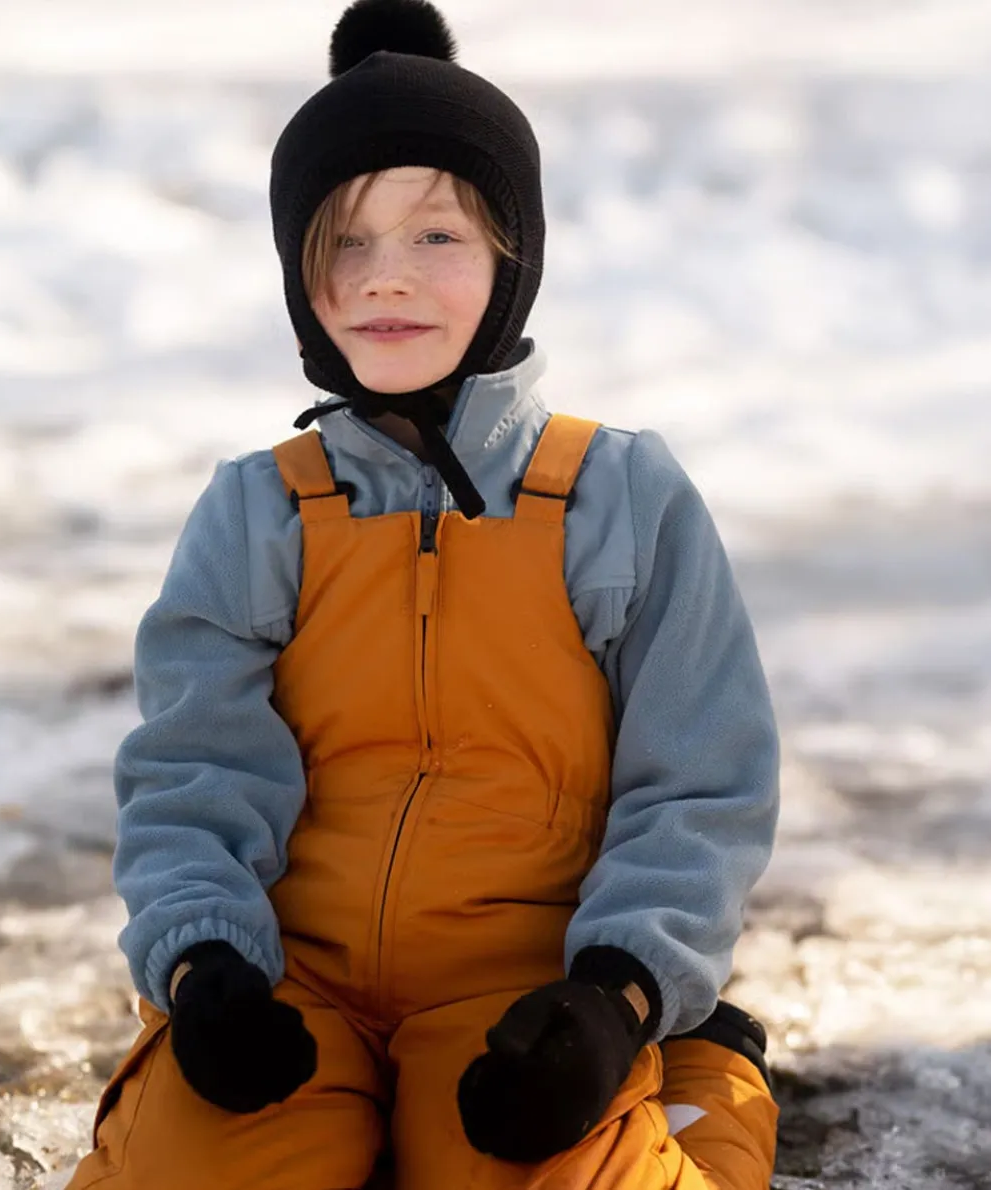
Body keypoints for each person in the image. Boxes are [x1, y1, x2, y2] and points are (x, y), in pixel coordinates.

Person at [65, 1, 781, 1187]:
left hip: (526, 987)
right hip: (298, 984)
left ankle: (707, 1074)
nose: (385, 278)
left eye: (436, 236)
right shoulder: (260, 509)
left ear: (511, 259)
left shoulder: (618, 494)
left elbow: (699, 786)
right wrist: (204, 967)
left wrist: (617, 991)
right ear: (301, 276)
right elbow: (193, 772)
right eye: (345, 241)